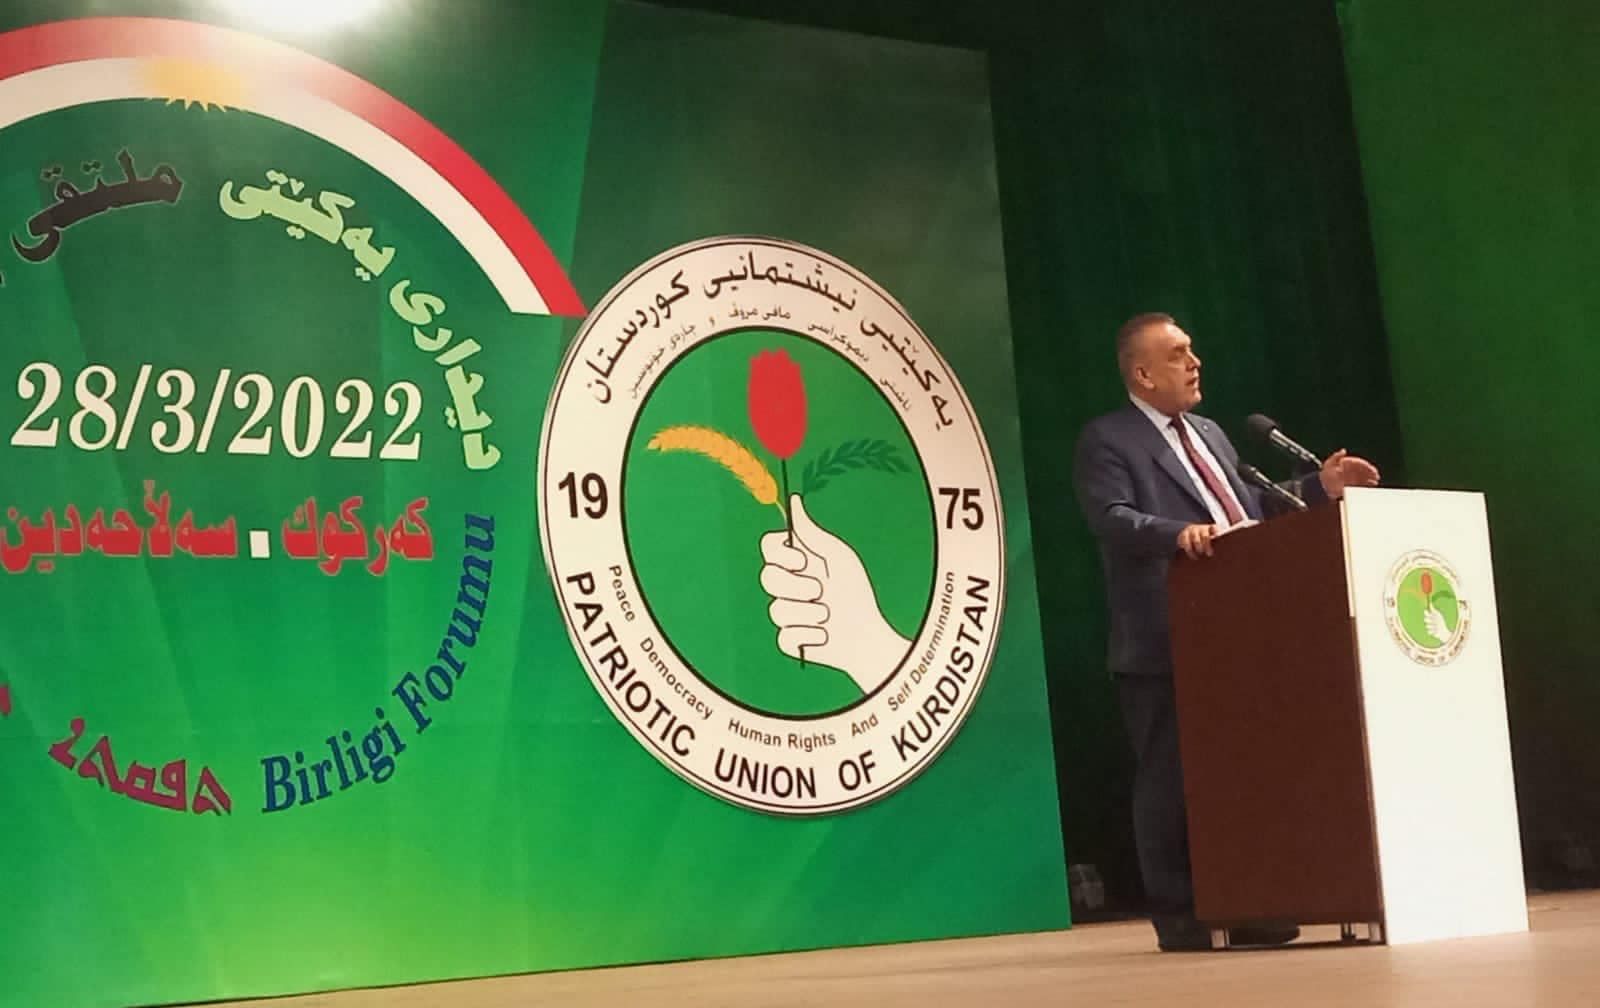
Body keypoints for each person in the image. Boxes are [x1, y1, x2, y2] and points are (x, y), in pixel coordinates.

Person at [1072, 313, 1380, 952]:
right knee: (1170, 778)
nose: (1195, 362)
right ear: (1142, 373)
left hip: (1238, 634)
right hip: (1165, 635)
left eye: (1192, 350)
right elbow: (1111, 518)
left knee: (1244, 772)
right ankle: (1181, 912)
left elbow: (1247, 511)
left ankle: (1248, 899)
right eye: (1178, 353)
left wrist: (1318, 487)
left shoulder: (1210, 433)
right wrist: (1176, 534)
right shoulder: (1109, 439)